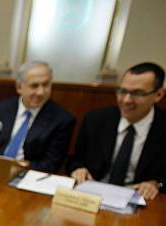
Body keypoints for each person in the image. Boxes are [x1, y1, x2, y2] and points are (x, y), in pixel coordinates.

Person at [67, 62, 165, 200]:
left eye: (137, 93)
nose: (126, 100)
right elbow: (75, 159)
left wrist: (156, 184)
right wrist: (78, 169)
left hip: (139, 201)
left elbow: (163, 180)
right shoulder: (95, 119)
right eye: (123, 91)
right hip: (91, 196)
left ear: (158, 95)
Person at [0, 61, 75, 173]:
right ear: (19, 87)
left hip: (28, 176)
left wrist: (16, 166)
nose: (41, 92)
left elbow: (51, 164)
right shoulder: (1, 108)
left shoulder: (62, 120)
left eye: (46, 85)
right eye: (34, 86)